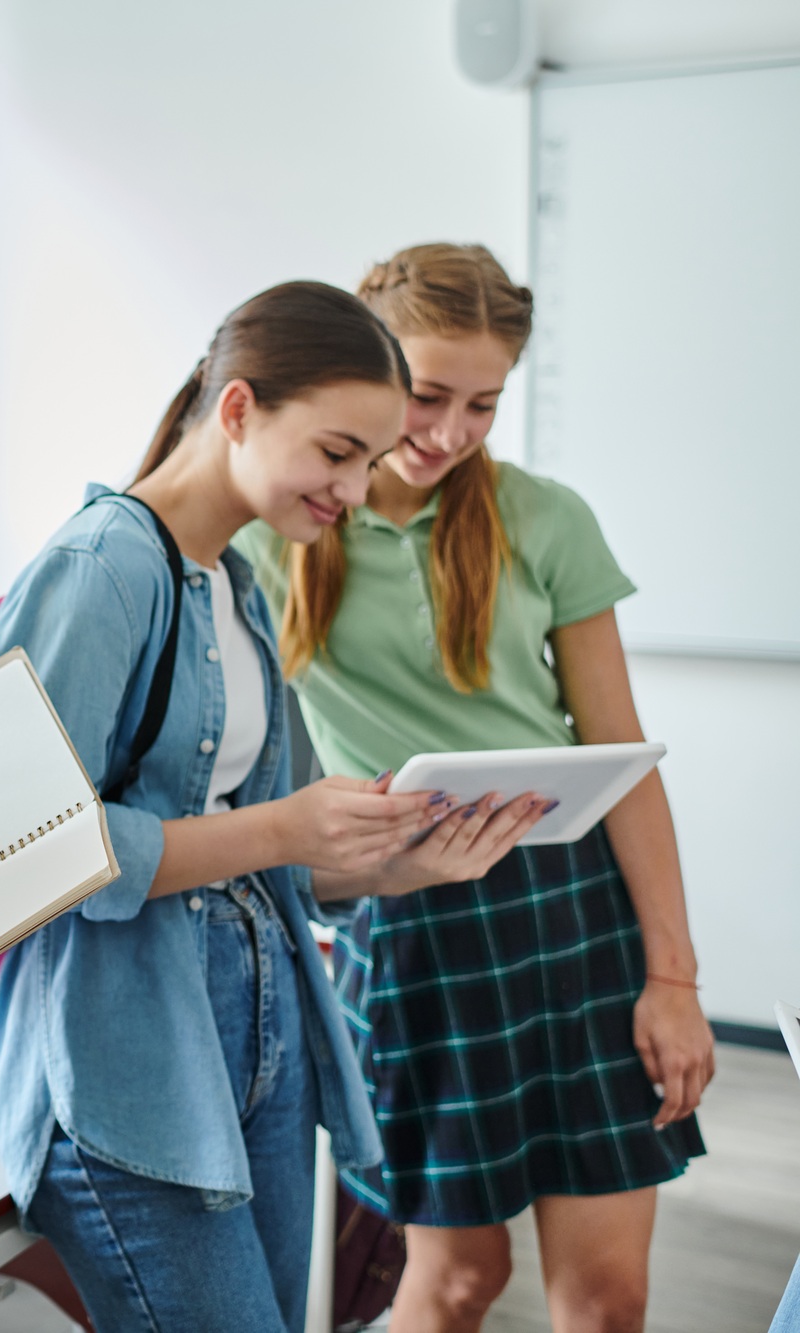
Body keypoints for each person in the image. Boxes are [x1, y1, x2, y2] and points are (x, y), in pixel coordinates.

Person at [0, 281, 549, 1332]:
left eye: (367, 462)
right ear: (236, 409)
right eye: (336, 451)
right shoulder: (100, 570)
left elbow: (272, 856)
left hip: (256, 1034)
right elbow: (16, 854)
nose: (353, 486)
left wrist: (402, 862)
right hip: (126, 1065)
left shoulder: (234, 584)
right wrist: (283, 828)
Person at [239, 243, 714, 1333]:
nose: (447, 432)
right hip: (410, 926)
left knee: (606, 1300)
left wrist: (672, 977)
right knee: (454, 1281)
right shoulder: (288, 523)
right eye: (424, 395)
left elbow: (623, 758)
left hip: (569, 909)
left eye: (483, 404)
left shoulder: (544, 519)